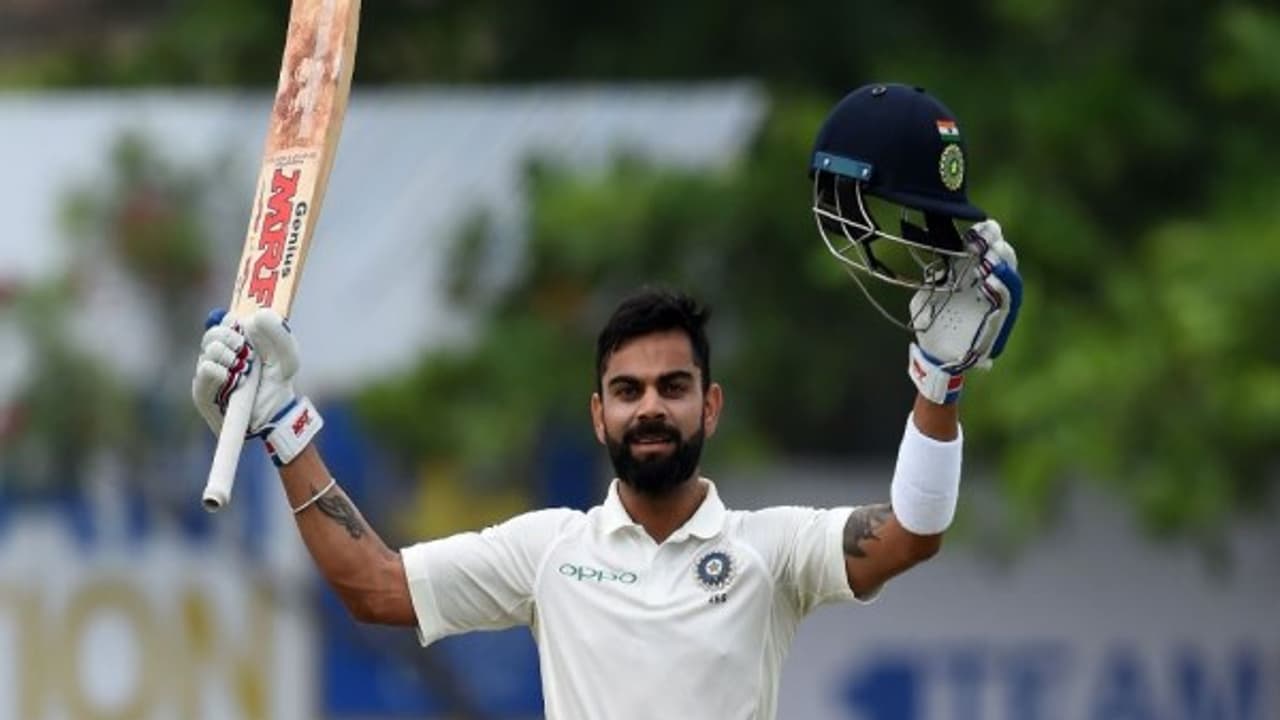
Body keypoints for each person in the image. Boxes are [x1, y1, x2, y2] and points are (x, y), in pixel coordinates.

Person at [192, 82, 1021, 719]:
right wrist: (282, 425)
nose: (650, 407)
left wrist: (938, 384)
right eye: (627, 391)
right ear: (599, 416)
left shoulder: (771, 552)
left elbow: (912, 534)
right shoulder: (550, 551)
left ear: (711, 406)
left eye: (672, 387)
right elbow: (373, 587)